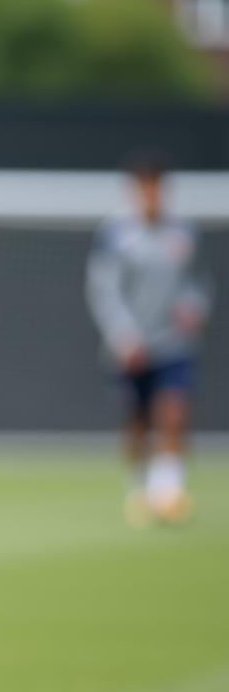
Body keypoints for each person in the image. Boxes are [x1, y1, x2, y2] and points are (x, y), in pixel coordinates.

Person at [86, 153, 211, 526]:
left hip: (173, 341)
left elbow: (198, 282)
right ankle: (139, 489)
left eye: (157, 186)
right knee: (137, 421)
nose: (151, 194)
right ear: (134, 190)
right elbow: (104, 290)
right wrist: (123, 336)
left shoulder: (183, 232)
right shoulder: (115, 235)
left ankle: (169, 490)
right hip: (132, 347)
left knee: (173, 411)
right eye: (145, 186)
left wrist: (194, 308)